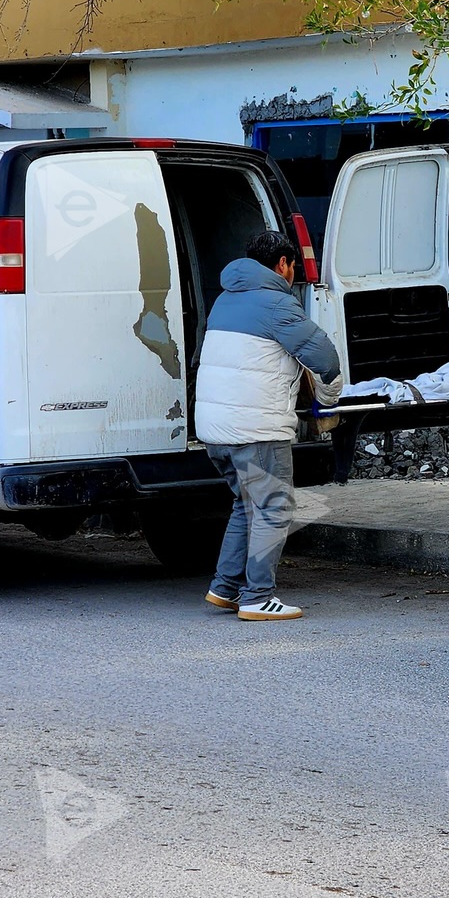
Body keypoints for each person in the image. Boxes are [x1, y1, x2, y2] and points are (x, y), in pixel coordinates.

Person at [195, 230, 342, 621]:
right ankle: (257, 597)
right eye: (293, 267)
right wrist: (328, 398)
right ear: (283, 265)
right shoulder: (278, 303)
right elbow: (324, 357)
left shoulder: (225, 298)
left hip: (215, 428)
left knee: (246, 506)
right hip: (254, 428)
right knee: (275, 507)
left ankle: (224, 589)